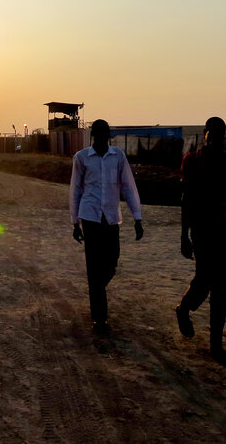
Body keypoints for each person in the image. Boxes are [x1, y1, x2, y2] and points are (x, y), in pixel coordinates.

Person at [175, 117, 226, 365]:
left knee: (221, 286)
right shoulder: (191, 161)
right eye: (210, 133)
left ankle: (216, 346)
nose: (213, 137)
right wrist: (184, 235)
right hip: (202, 228)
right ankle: (184, 308)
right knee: (204, 279)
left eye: (218, 133)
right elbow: (186, 200)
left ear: (223, 136)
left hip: (223, 227)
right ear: (204, 134)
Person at [70, 119, 143, 334]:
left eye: (105, 133)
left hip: (111, 218)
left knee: (112, 262)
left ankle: (97, 289)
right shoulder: (81, 158)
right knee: (94, 267)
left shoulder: (117, 156)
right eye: (97, 133)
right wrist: (75, 222)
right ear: (93, 135)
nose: (101, 137)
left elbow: (128, 186)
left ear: (109, 135)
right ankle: (99, 318)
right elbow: (75, 190)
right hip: (90, 217)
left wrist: (137, 217)